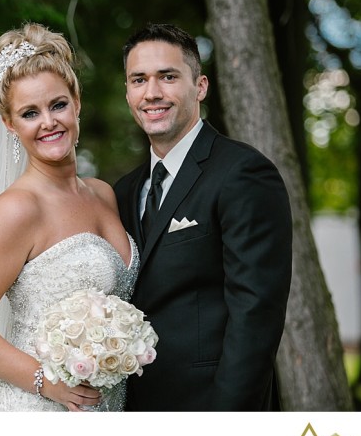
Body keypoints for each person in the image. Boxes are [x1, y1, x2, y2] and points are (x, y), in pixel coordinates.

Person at [0, 23, 139, 411]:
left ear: (77, 102)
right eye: (30, 113)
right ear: (10, 125)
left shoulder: (103, 194)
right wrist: (48, 383)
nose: (49, 122)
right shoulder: (16, 210)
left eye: (58, 105)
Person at [113, 23, 292, 410]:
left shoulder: (243, 173)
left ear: (200, 86)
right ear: (128, 92)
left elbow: (256, 315)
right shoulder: (124, 191)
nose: (152, 92)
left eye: (168, 77)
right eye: (138, 79)